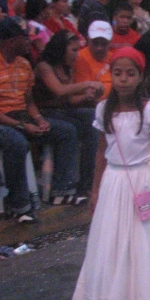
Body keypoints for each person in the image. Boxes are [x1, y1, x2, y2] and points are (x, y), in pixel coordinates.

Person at [72, 47, 150, 300]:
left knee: (144, 242)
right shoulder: (102, 109)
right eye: (117, 73)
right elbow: (100, 153)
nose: (122, 79)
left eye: (129, 73)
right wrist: (95, 191)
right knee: (112, 241)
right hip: (114, 181)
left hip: (144, 179)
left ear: (140, 76)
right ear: (111, 74)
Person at [0, 17, 79, 220]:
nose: (29, 42)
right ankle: (19, 205)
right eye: (24, 38)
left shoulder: (24, 65)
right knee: (16, 142)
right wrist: (21, 125)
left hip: (23, 117)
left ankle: (61, 192)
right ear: (10, 42)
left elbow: (29, 102)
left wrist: (38, 119)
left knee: (66, 131)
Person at [34, 30, 103, 203]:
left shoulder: (67, 68)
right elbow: (59, 90)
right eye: (73, 50)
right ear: (61, 49)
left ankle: (87, 182)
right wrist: (87, 84)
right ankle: (62, 188)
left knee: (92, 119)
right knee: (69, 130)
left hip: (63, 111)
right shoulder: (44, 67)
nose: (76, 54)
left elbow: (70, 99)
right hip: (43, 113)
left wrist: (87, 97)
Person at [74, 20, 114, 98]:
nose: (99, 48)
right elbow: (87, 91)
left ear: (110, 43)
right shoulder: (79, 57)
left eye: (103, 43)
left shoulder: (115, 59)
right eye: (95, 43)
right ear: (88, 39)